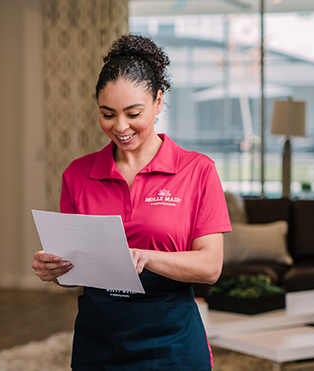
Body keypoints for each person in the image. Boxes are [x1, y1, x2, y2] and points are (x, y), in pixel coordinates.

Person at [31, 33, 232, 370]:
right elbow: (73, 272)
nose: (120, 127)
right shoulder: (78, 174)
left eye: (132, 113)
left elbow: (210, 268)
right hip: (99, 338)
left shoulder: (197, 171)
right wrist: (53, 270)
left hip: (173, 340)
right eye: (107, 114)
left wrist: (144, 257)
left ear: (157, 101)